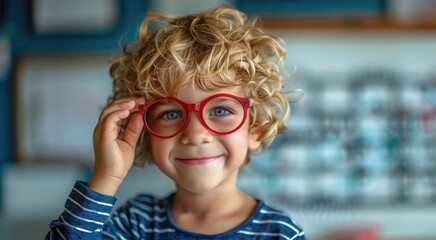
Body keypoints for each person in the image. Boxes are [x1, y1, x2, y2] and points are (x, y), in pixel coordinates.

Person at [45, 6, 305, 240]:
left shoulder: (280, 234)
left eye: (221, 110)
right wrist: (106, 177)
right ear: (145, 131)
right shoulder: (136, 222)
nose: (195, 134)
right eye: (170, 114)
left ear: (255, 127)